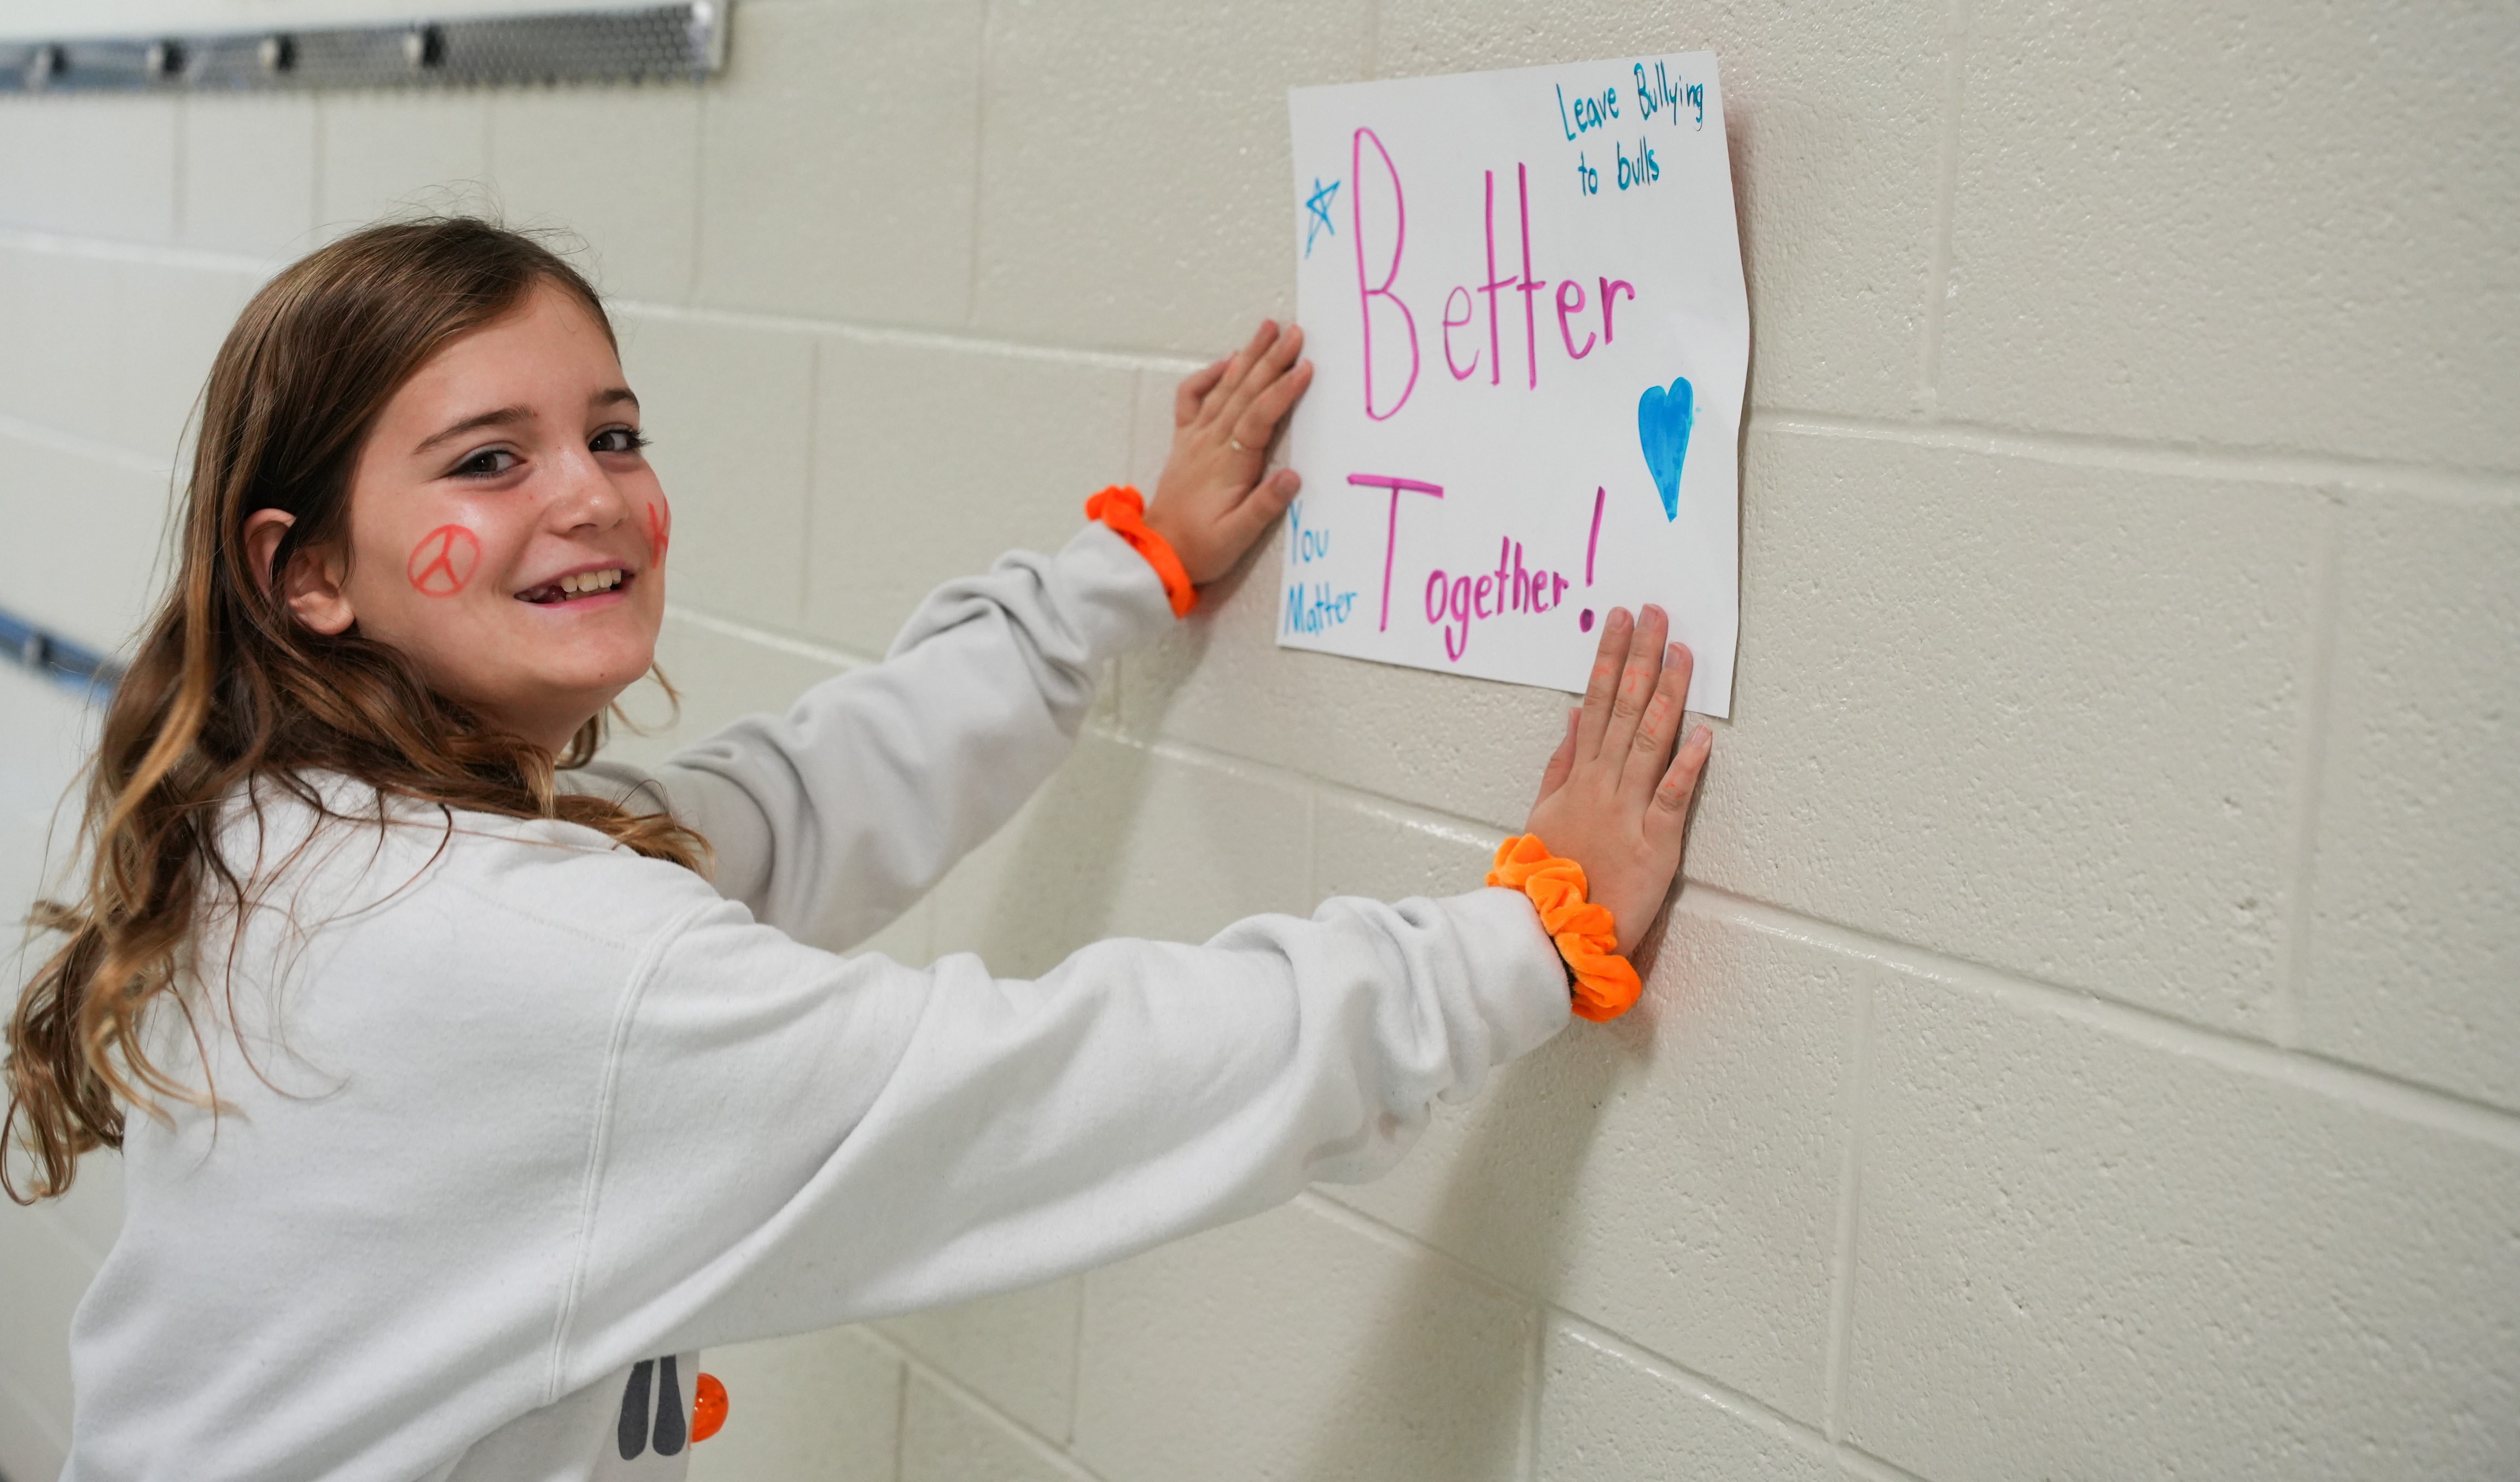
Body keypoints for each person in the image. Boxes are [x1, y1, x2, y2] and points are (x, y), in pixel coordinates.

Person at [3, 218, 1712, 1479]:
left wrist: (1122, 579)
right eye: (487, 461)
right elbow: (1048, 1087)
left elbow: (791, 801)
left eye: (612, 433)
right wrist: (1509, 945)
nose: (590, 494)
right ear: (308, 572)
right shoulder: (516, 959)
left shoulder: (310, 830)